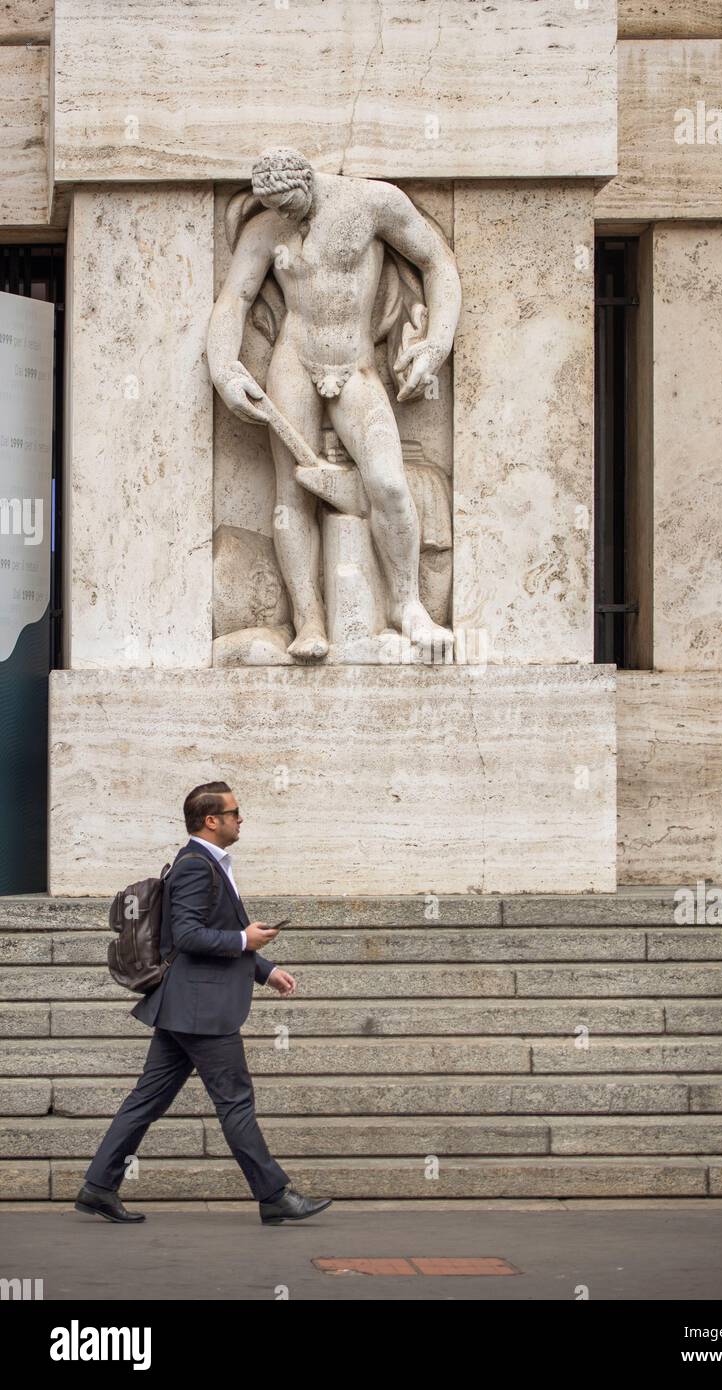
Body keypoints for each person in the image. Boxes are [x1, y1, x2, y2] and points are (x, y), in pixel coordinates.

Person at [206, 145, 461, 661]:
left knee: (387, 481)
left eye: (289, 206)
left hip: (357, 365)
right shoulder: (267, 228)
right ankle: (308, 618)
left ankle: (407, 605)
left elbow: (437, 263)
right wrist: (224, 371)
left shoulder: (372, 204)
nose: (283, 219)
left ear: (308, 183)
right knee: (292, 493)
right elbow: (233, 301)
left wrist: (437, 343)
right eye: (272, 209)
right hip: (293, 363)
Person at [74, 781, 333, 1226]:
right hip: (201, 1009)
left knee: (146, 1100)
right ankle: (274, 1195)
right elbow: (189, 935)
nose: (240, 818)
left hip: (185, 1006)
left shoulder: (204, 862)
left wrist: (264, 968)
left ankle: (98, 1187)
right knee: (234, 1100)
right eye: (234, 812)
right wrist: (242, 938)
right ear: (211, 820)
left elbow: (208, 934)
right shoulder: (196, 865)